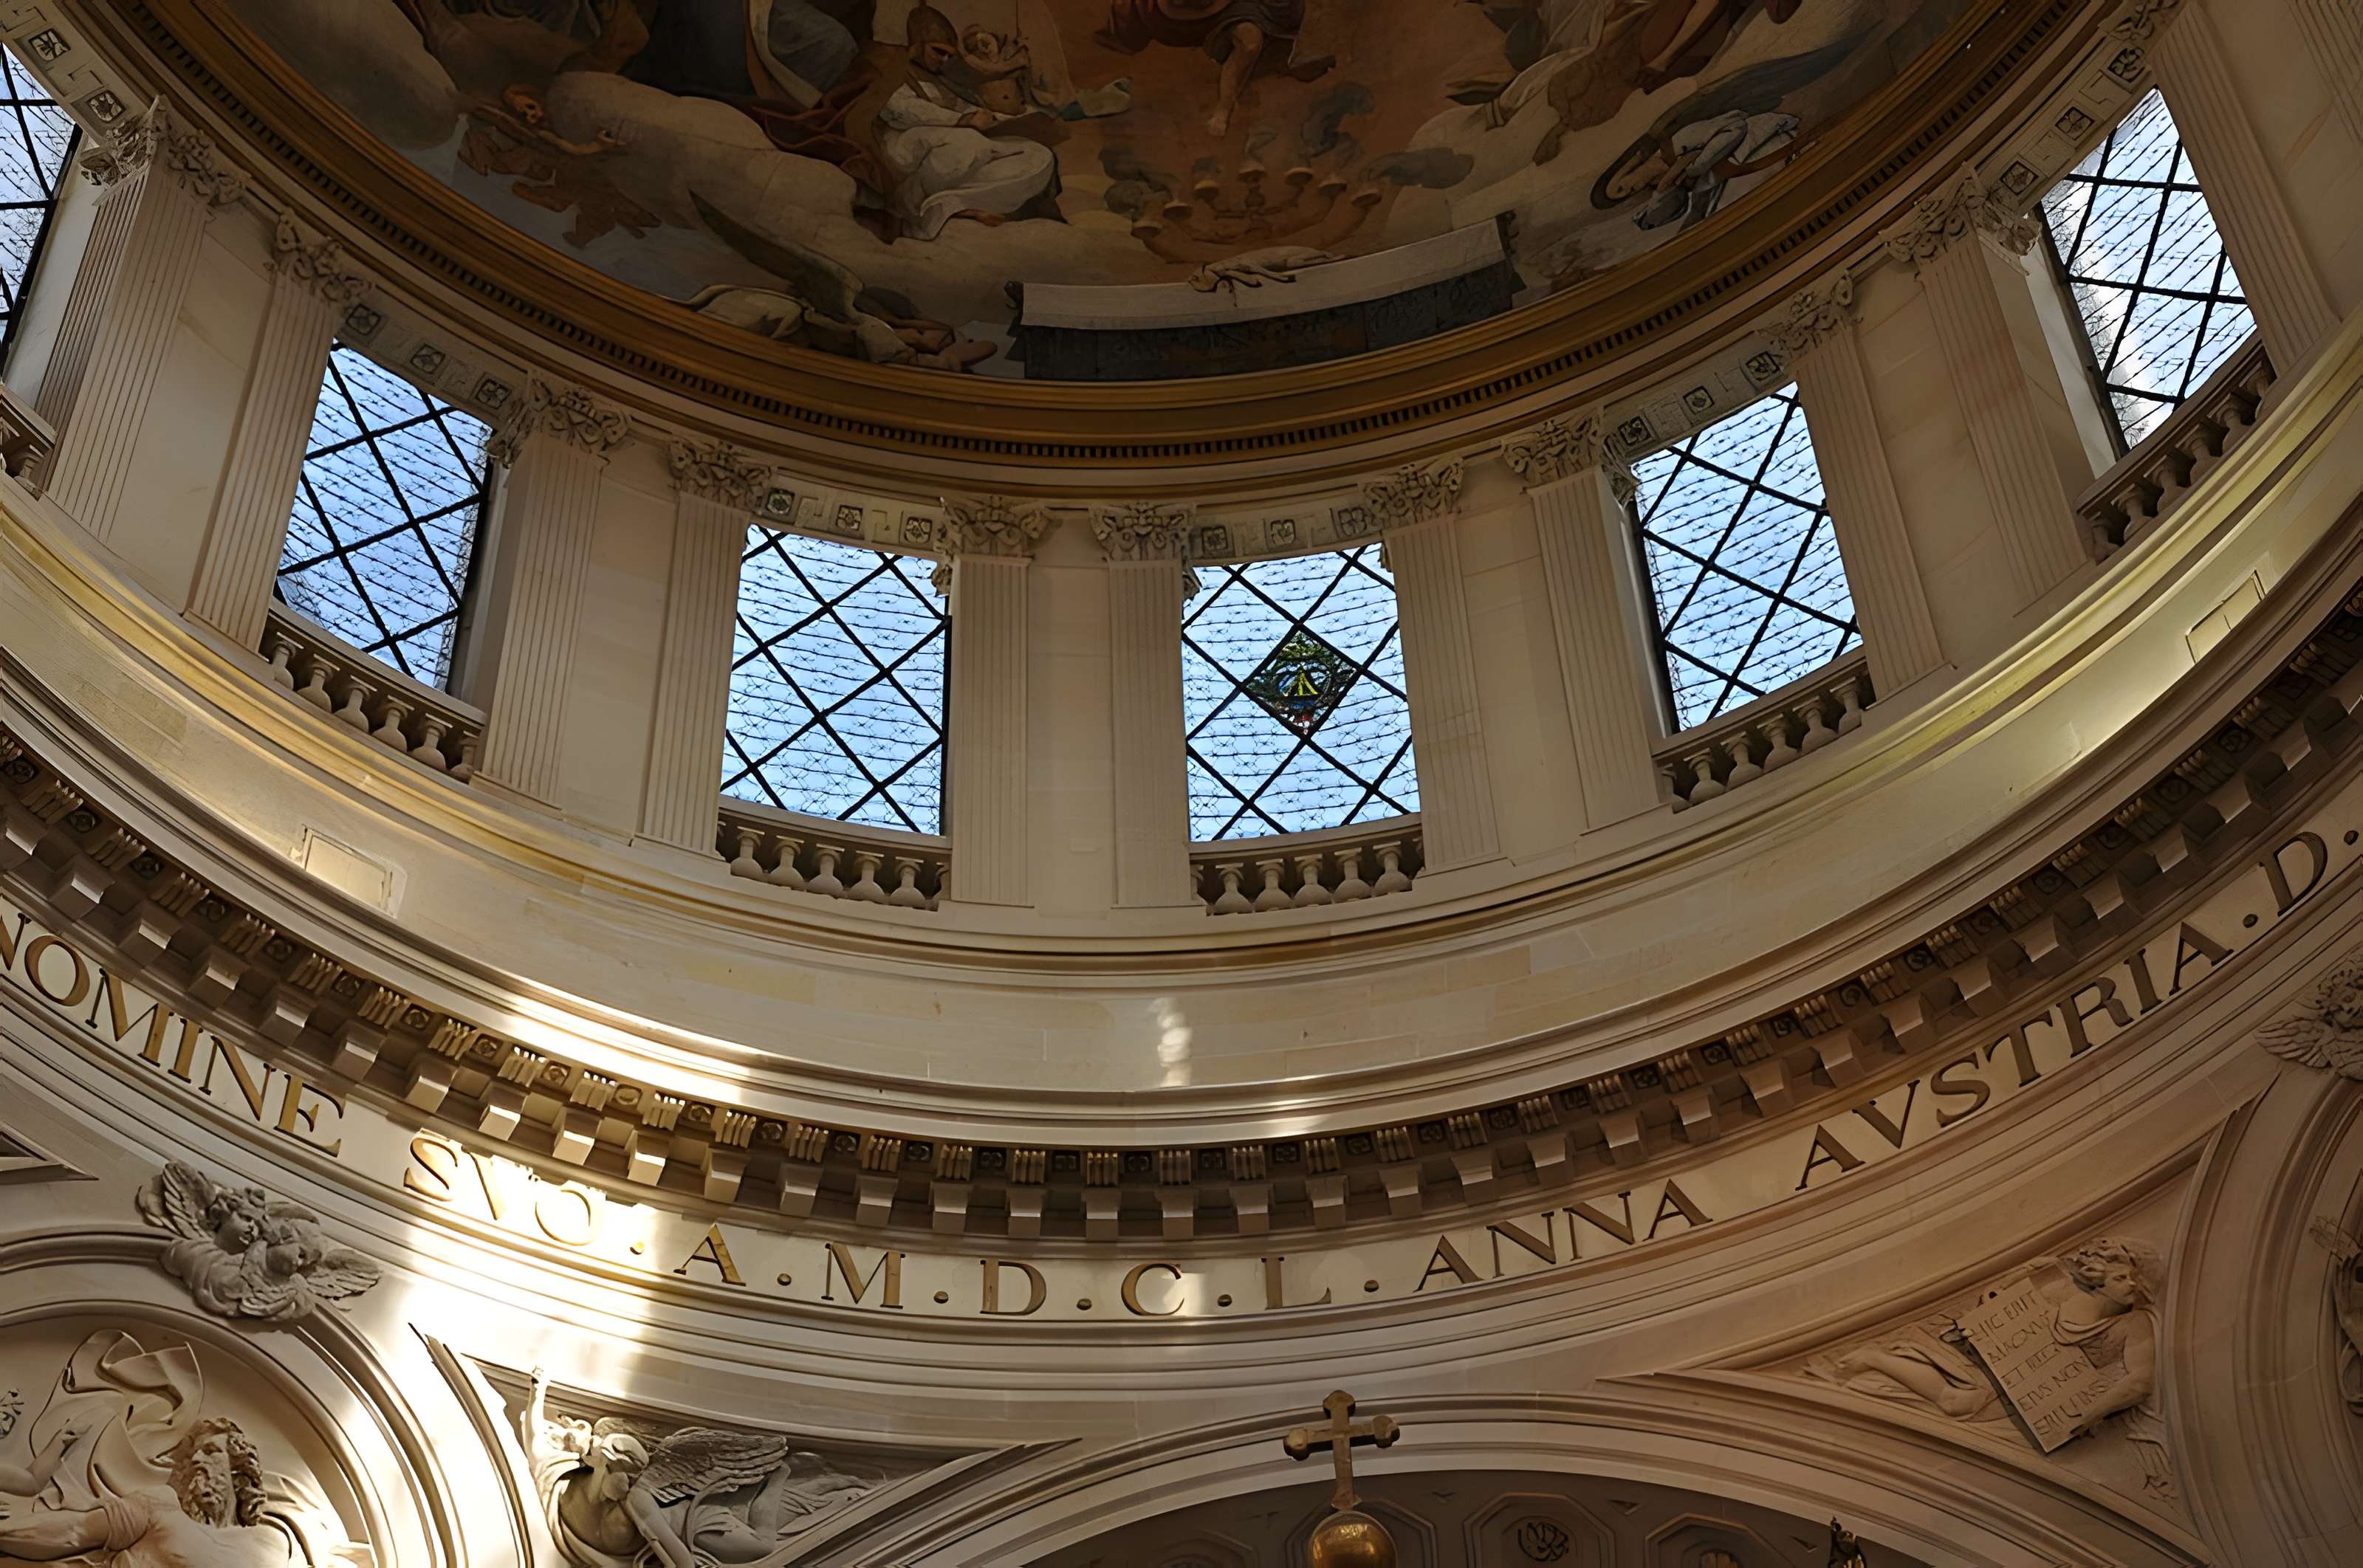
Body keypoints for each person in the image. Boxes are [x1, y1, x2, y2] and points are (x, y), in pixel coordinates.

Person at [876, 7, 1063, 239]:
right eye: (938, 52)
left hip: (955, 150)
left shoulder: (940, 78)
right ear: (918, 44)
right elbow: (900, 110)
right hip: (905, 147)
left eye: (949, 55)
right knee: (968, 143)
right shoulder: (892, 69)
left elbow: (963, 107)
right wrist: (962, 121)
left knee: (1038, 156)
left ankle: (949, 205)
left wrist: (1005, 120)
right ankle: (912, 209)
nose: (945, 60)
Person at [0, 1419, 282, 1568]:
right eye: (193, 1454)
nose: (196, 1460)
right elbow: (74, 1531)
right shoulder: (160, 1506)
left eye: (210, 1452)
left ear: (239, 1471)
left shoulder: (269, 1546)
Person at [1094, 0, 1334, 136]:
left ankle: (1287, 58)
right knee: (1249, 42)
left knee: (1265, 29)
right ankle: (1224, 109)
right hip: (1189, 10)